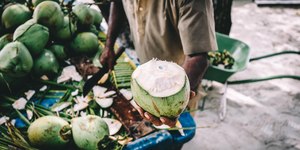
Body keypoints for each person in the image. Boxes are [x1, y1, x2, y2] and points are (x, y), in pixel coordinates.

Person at [98, 0, 217, 127]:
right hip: (146, 70)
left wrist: (175, 104)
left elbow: (197, 57)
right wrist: (109, 45)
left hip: (183, 81)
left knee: (177, 132)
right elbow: (117, 3)